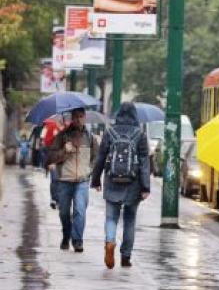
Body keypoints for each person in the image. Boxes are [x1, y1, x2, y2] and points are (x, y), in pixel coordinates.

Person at [90, 102, 150, 269]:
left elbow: (100, 158)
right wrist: (145, 187)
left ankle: (110, 242)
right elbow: (145, 163)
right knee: (130, 221)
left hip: (112, 181)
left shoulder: (110, 132)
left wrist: (95, 180)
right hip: (134, 183)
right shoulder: (140, 134)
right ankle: (126, 257)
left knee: (111, 218)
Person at [47, 108, 98, 252]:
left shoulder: (90, 137)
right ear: (71, 118)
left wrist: (90, 170)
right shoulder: (62, 136)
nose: (78, 119)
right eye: (75, 117)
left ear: (85, 118)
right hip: (64, 180)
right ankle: (66, 235)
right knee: (64, 212)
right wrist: (64, 151)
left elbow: (97, 158)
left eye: (81, 117)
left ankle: (77, 240)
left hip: (82, 181)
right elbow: (50, 157)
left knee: (80, 210)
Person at [42, 119, 63, 209]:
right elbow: (44, 142)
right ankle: (54, 199)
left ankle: (59, 200)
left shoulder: (68, 128)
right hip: (52, 157)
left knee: (61, 180)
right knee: (55, 179)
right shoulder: (50, 126)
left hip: (63, 158)